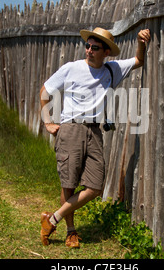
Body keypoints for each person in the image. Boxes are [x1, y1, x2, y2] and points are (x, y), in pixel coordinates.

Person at [39, 27, 151, 248]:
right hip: (70, 129)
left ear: (106, 52)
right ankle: (70, 232)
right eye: (87, 46)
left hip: (95, 131)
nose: (89, 50)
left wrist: (141, 41)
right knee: (68, 184)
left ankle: (52, 218)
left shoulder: (113, 70)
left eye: (95, 47)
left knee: (95, 186)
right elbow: (45, 91)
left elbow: (139, 60)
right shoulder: (71, 68)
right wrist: (48, 122)